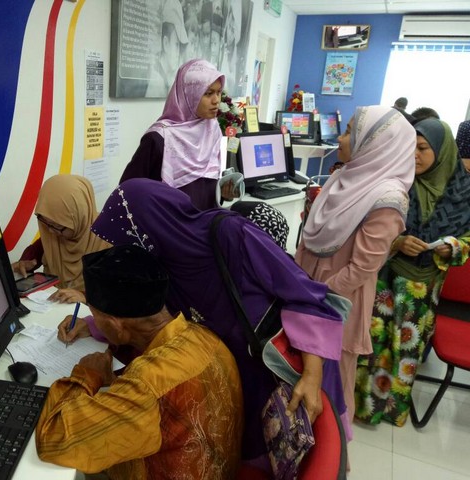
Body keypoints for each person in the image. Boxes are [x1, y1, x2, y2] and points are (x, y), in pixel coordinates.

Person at [60, 178, 349, 467]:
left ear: (146, 230)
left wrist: (312, 375)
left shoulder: (231, 234)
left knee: (314, 458)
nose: (126, 253)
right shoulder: (166, 264)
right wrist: (95, 324)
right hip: (243, 376)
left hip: (292, 368)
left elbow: (307, 296)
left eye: (126, 240)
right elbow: (153, 319)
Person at [36, 244, 244, 479]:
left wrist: (87, 375)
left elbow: (55, 440)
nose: (92, 320)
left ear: (115, 324)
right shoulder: (207, 337)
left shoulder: (145, 385)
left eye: (94, 315)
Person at [294, 106, 416, 431]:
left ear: (375, 142)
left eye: (350, 132)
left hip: (336, 299)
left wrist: (316, 295)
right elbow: (311, 234)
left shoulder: (388, 200)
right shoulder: (343, 176)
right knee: (300, 370)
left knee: (331, 380)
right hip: (308, 287)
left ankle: (331, 450)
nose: (341, 139)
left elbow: (362, 268)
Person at [355, 118, 470, 427]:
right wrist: (397, 242)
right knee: (374, 344)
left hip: (424, 289)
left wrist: (453, 247)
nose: (414, 156)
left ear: (442, 152)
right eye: (410, 148)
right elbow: (367, 229)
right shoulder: (397, 183)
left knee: (407, 349)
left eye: (422, 149)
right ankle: (363, 408)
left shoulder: (464, 191)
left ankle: (393, 410)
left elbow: (468, 240)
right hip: (386, 280)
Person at [122, 59, 236, 211]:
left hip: (204, 221)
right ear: (188, 94)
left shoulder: (212, 129)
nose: (216, 100)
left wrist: (223, 193)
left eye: (218, 92)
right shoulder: (160, 138)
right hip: (169, 223)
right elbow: (127, 190)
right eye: (208, 93)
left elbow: (205, 185)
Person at [12, 174, 109, 303]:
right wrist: (25, 263)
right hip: (54, 305)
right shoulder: (54, 234)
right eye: (46, 223)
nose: (50, 231)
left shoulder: (109, 241)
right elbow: (35, 253)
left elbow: (117, 295)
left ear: (80, 217)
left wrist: (85, 296)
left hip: (90, 312)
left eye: (57, 226)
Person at [145, 0, 189, 98]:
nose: (178, 54)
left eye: (179, 47)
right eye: (176, 45)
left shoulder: (167, 78)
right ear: (166, 43)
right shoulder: (157, 83)